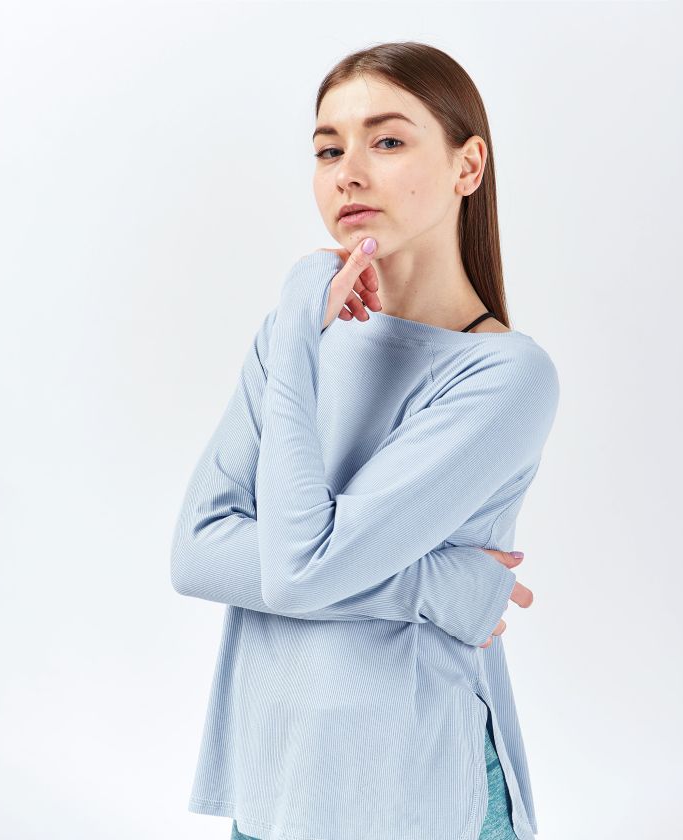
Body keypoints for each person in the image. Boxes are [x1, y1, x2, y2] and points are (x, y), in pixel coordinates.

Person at [171, 41, 560, 840]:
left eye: (386, 140)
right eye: (328, 149)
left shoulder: (505, 376)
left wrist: (295, 333)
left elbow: (300, 572)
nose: (348, 172)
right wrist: (437, 586)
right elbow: (197, 551)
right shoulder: (296, 334)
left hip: (413, 798)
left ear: (467, 166)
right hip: (274, 790)